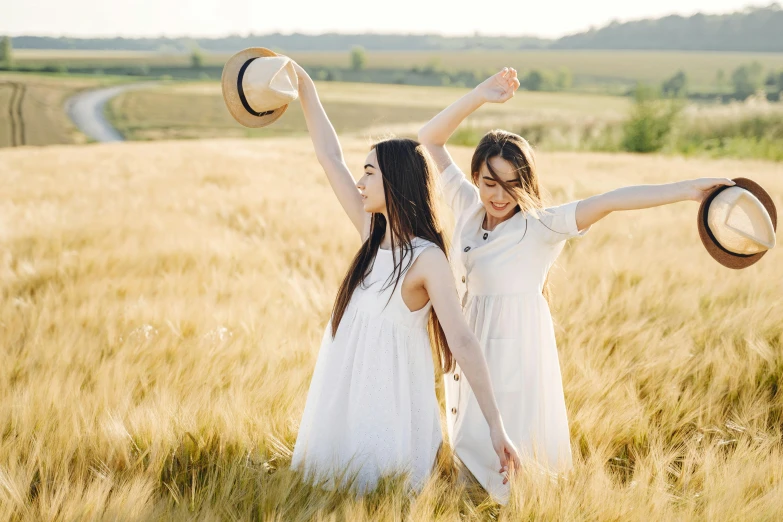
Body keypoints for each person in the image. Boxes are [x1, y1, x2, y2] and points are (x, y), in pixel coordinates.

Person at [418, 67, 734, 503]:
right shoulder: (468, 206)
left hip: (516, 352)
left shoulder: (541, 226)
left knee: (515, 462)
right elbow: (429, 137)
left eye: (512, 185)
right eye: (490, 182)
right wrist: (480, 96)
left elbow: (610, 201)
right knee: (468, 447)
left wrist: (687, 190)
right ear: (476, 178)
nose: (499, 195)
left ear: (525, 184)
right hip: (469, 345)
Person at [288, 62, 522, 494]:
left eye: (369, 172)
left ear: (395, 181)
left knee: (378, 495)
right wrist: (304, 85)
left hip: (386, 411)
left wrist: (496, 427)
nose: (359, 182)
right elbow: (328, 155)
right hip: (342, 396)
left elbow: (464, 342)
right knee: (327, 492)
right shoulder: (369, 234)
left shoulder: (426, 259)